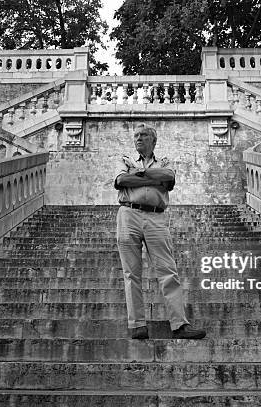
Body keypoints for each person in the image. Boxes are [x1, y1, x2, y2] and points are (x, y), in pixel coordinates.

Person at [113, 124, 206, 340]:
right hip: (128, 214)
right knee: (131, 273)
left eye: (143, 135)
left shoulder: (163, 161)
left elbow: (169, 177)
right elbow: (120, 181)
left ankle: (180, 325)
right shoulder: (125, 159)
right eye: (136, 135)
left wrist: (138, 173)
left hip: (156, 216)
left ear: (153, 141)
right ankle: (137, 325)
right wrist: (153, 178)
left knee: (168, 271)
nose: (138, 139)